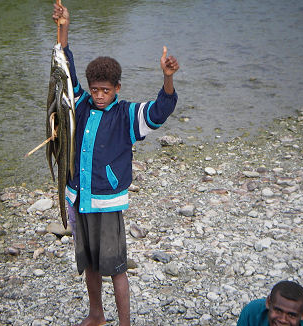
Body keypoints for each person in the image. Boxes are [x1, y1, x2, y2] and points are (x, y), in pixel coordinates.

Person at [53, 4, 179, 326]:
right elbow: (65, 68)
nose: (98, 96)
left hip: (107, 202)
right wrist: (63, 28)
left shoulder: (126, 116)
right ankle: (97, 314)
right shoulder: (79, 104)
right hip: (79, 198)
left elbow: (159, 112)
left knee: (116, 266)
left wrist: (167, 79)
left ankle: (124, 322)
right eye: (94, 89)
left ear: (117, 89)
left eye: (105, 91)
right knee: (90, 263)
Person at [237, 280, 303, 326]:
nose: (283, 320)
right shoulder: (252, 313)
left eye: (291, 315)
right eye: (278, 311)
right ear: (268, 303)